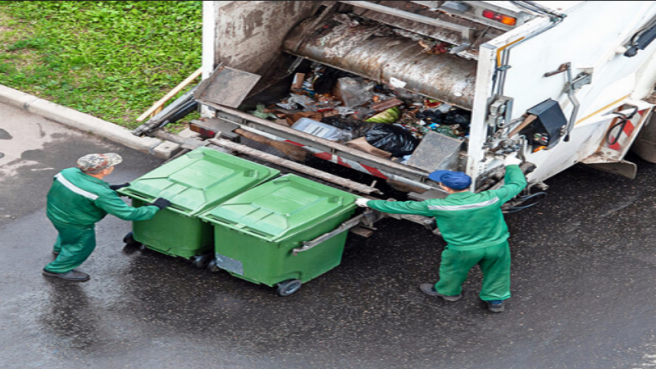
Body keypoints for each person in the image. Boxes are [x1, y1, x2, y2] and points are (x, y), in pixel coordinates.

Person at [356, 154, 527, 313]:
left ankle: (449, 292)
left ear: (444, 187)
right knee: (497, 271)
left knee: (453, 271)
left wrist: (369, 202)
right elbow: (517, 184)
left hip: (462, 249)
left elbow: (400, 206)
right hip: (497, 245)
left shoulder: (437, 205)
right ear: (469, 185)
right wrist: (512, 165)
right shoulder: (492, 198)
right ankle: (496, 301)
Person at [43, 153, 171, 282]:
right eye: (112, 165)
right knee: (81, 245)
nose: (113, 166)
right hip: (76, 222)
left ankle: (59, 250)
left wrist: (110, 189)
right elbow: (128, 214)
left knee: (67, 234)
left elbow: (78, 189)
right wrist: (155, 207)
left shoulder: (67, 172)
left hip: (56, 212)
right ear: (105, 170)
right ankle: (57, 269)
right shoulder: (101, 193)